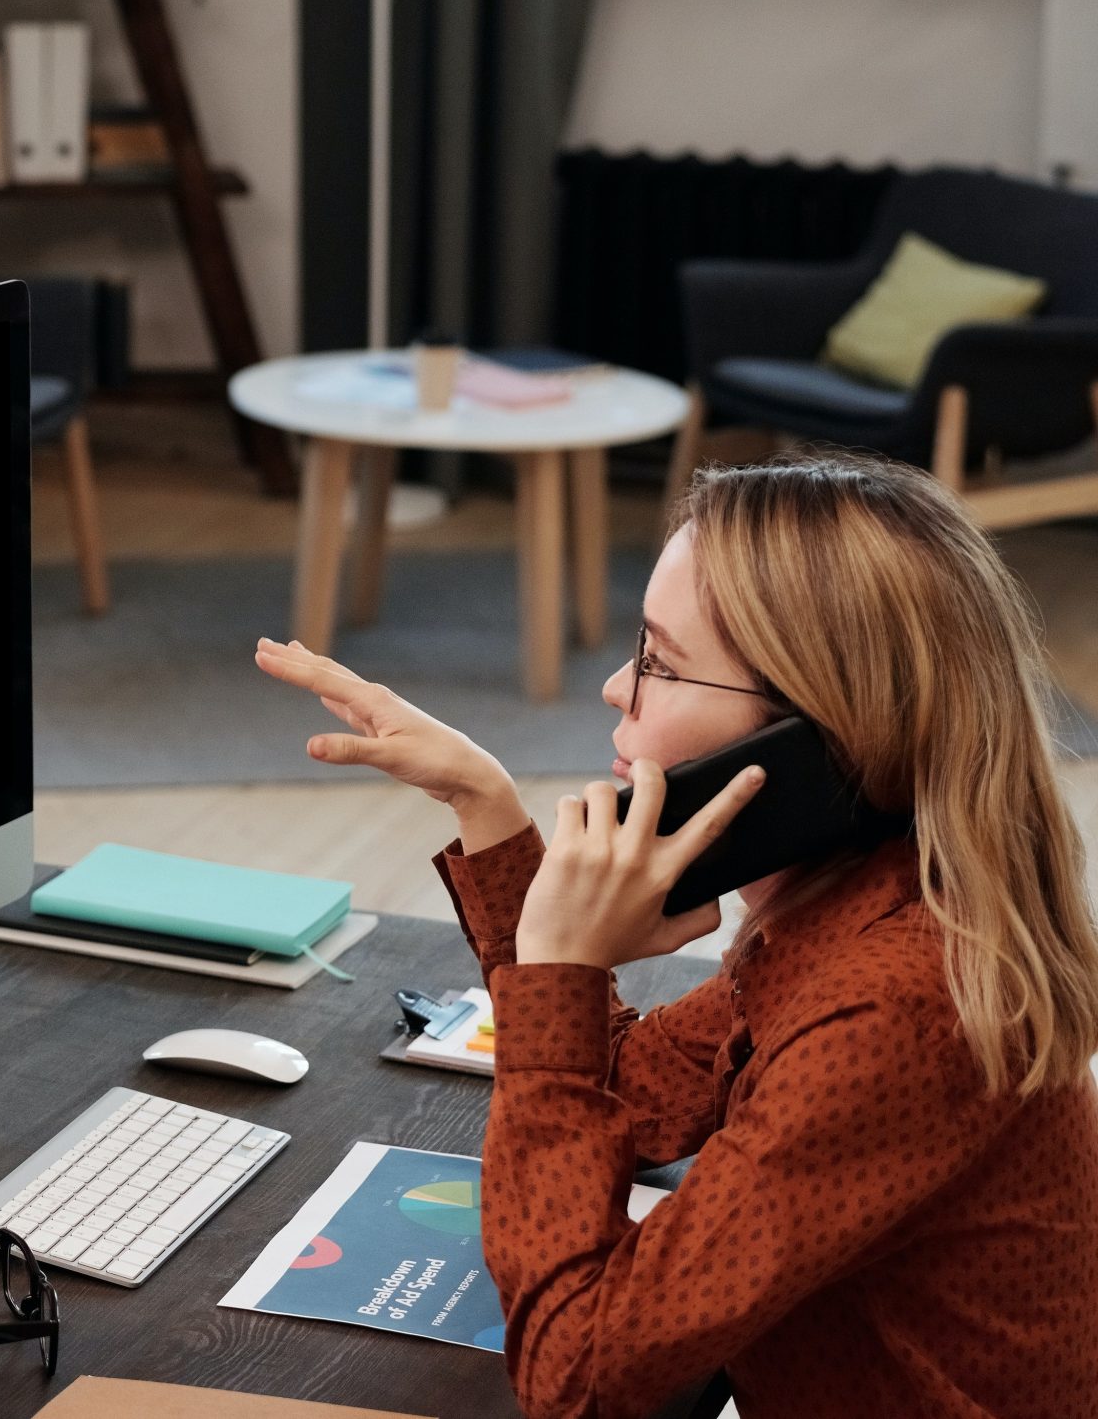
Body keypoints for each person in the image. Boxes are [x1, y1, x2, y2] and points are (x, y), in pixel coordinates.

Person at [258, 452, 1098, 1419]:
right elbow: (625, 1092)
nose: (618, 686)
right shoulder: (851, 906)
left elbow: (576, 1371)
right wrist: (485, 807)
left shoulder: (898, 1002)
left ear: (810, 739)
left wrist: (564, 963)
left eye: (660, 659)